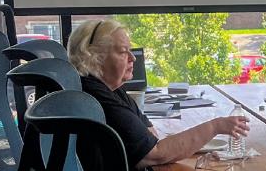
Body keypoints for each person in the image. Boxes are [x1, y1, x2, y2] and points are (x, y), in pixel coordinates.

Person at [67, 20, 249, 170]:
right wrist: (215, 126)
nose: (133, 58)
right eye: (123, 52)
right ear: (94, 56)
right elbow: (155, 153)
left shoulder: (111, 90)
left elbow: (151, 135)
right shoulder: (96, 98)